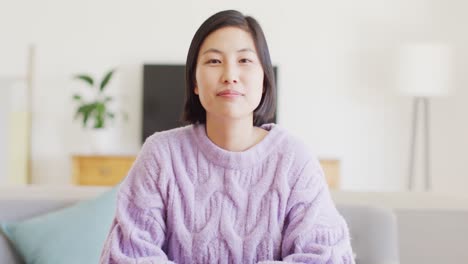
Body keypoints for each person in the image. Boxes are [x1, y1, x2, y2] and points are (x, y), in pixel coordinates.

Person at [100, 9, 355, 264]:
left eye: (244, 61)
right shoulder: (160, 155)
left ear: (264, 80)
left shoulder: (294, 159)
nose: (229, 75)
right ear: (195, 83)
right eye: (213, 61)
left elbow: (327, 257)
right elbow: (128, 255)